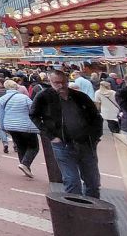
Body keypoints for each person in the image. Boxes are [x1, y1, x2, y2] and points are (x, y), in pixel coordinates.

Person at [30, 69, 103, 198]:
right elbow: (34, 115)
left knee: (92, 180)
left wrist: (96, 136)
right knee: (71, 180)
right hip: (63, 144)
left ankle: (92, 209)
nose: (61, 85)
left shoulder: (79, 96)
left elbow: (95, 116)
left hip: (85, 142)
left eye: (63, 82)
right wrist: (51, 136)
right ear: (50, 82)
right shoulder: (44, 96)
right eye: (56, 82)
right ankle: (75, 211)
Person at [0, 79, 41, 178]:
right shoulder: (24, 97)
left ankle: (25, 167)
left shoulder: (3, 99)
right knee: (34, 147)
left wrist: (2, 127)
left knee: (21, 146)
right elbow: (33, 110)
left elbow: (0, 114)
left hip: (10, 126)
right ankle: (25, 164)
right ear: (16, 87)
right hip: (25, 125)